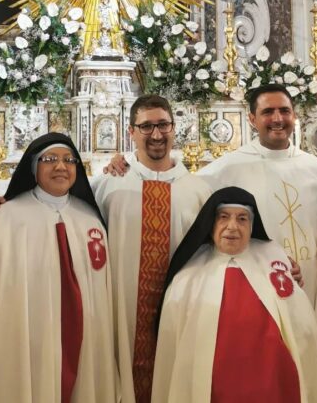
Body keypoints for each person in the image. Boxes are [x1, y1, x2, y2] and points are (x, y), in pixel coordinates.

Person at [0, 132, 118, 403]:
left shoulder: (90, 218)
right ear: (33, 167)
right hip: (28, 333)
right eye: (50, 159)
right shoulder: (10, 217)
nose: (61, 166)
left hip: (84, 335)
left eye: (69, 160)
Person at [152, 187, 317, 403]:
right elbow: (171, 345)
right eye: (223, 217)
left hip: (271, 382)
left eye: (242, 219)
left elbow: (301, 326)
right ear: (211, 224)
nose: (232, 226)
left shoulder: (273, 258)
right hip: (210, 386)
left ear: (252, 226)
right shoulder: (188, 275)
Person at [91, 94, 214, 403]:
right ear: (131, 132)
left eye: (163, 125)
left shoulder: (199, 191)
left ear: (174, 128)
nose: (156, 134)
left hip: (181, 308)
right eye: (146, 127)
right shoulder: (109, 185)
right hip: (121, 309)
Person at [196, 85, 317, 350]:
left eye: (284, 111)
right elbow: (182, 195)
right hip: (258, 283)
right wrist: (126, 165)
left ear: (294, 115)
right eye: (268, 112)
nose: (277, 119)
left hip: (312, 281)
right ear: (252, 119)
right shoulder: (224, 170)